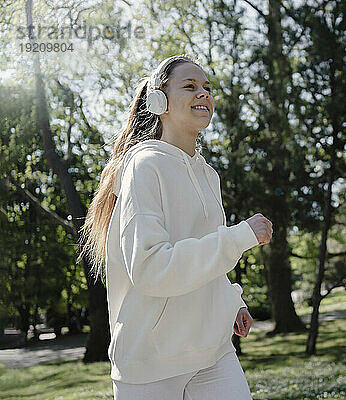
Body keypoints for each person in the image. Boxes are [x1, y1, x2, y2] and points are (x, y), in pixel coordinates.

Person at [78, 54, 273, 399]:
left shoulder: (208, 175)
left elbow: (205, 253)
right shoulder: (144, 165)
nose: (204, 94)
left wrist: (229, 302)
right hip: (151, 363)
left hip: (213, 351)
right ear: (159, 101)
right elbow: (151, 267)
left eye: (207, 87)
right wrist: (239, 237)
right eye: (190, 86)